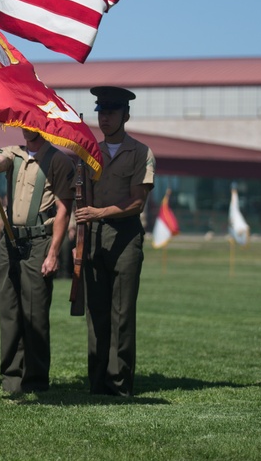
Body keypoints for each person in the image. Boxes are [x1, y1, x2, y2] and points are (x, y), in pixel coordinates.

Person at [0, 128, 74, 393]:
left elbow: (64, 210)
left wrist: (53, 253)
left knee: (36, 312)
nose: (26, 128)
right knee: (8, 309)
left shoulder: (59, 161)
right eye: (23, 123)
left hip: (40, 239)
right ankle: (11, 378)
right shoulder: (13, 153)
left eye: (32, 123)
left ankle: (36, 380)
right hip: (10, 240)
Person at [74, 87, 155, 397]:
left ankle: (119, 383)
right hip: (94, 235)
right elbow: (83, 199)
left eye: (110, 112)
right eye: (100, 111)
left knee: (121, 314)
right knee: (97, 312)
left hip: (125, 235)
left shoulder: (140, 153)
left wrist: (98, 212)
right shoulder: (89, 152)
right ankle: (97, 383)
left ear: (126, 115)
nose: (104, 117)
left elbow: (137, 203)